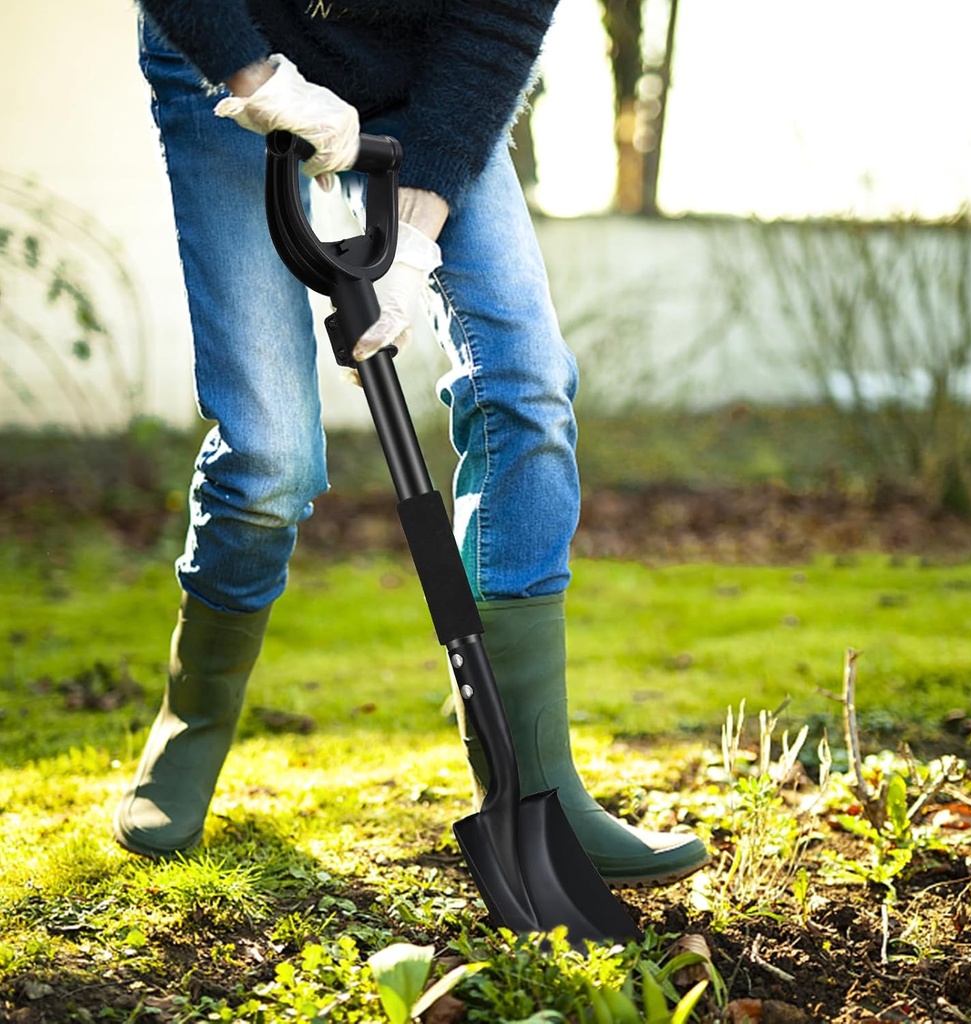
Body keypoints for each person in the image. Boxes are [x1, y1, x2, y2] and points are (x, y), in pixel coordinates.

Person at [114, 0, 710, 888]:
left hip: (423, 81)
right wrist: (260, 80)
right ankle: (192, 721)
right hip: (226, 42)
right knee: (272, 456)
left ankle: (533, 779)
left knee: (528, 385)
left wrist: (411, 245)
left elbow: (500, 24)